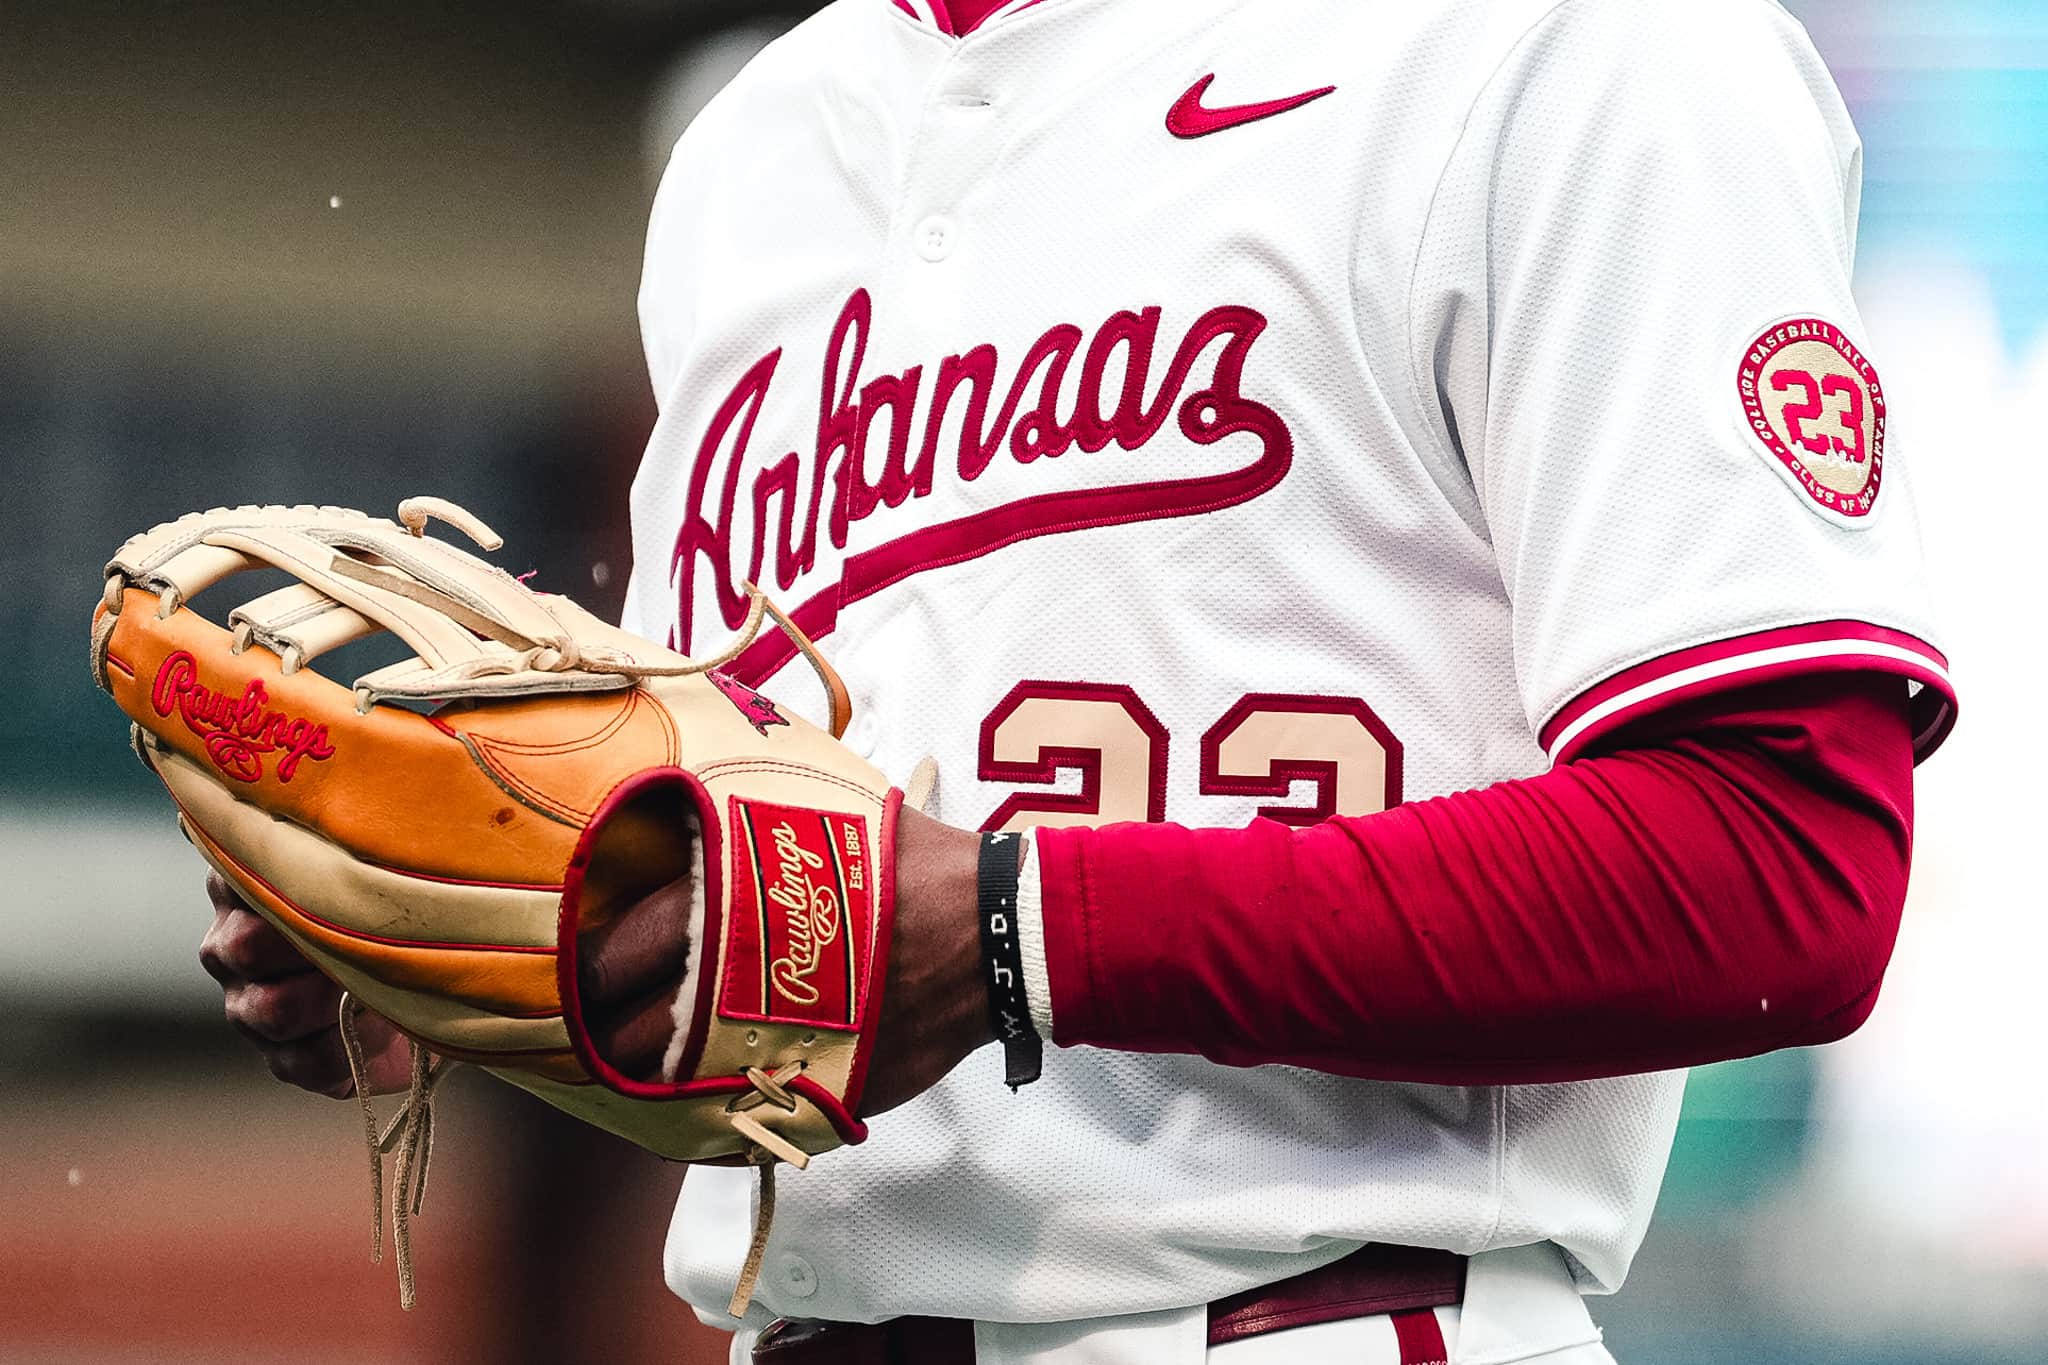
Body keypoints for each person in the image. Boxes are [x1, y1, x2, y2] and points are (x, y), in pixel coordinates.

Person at [198, 0, 1957, 1361]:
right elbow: (805, 922)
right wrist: (485, 936)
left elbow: (1780, 861)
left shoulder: (1574, 48)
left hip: (1331, 1314)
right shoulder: (763, 144)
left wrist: (1024, 925)